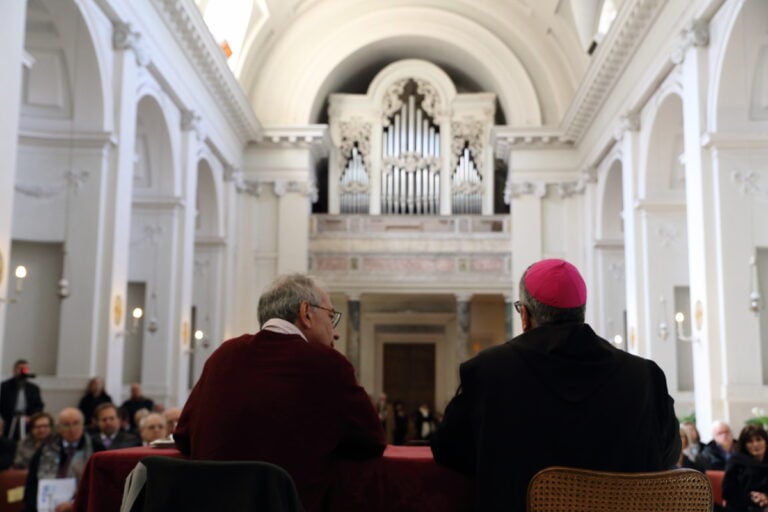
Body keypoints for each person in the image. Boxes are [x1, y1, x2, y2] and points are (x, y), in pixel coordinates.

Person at [431, 258, 680, 512]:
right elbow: (668, 452)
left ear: (525, 316)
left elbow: (448, 450)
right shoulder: (644, 377)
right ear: (581, 311)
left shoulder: (487, 371)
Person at [174, 273, 385, 512]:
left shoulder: (222, 355)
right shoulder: (328, 363)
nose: (334, 332)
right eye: (330, 316)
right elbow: (371, 441)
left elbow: (183, 435)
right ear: (306, 312)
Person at [23, 407, 97, 512]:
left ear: (83, 425)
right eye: (66, 425)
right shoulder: (46, 448)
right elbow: (32, 484)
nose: (72, 429)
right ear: (59, 428)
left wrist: (73, 503)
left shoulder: (95, 448)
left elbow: (99, 485)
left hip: (82, 505)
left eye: (76, 423)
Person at [723, 424, 768, 512]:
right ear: (744, 445)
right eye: (750, 441)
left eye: (759, 440)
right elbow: (728, 493)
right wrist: (753, 498)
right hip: (743, 507)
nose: (755, 444)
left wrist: (766, 497)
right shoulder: (735, 462)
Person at [0, 359, 44, 440]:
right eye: (20, 369)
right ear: (14, 370)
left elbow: (39, 405)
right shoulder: (5, 386)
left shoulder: (34, 388)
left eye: (25, 369)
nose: (23, 371)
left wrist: (32, 417)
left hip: (28, 420)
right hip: (9, 420)